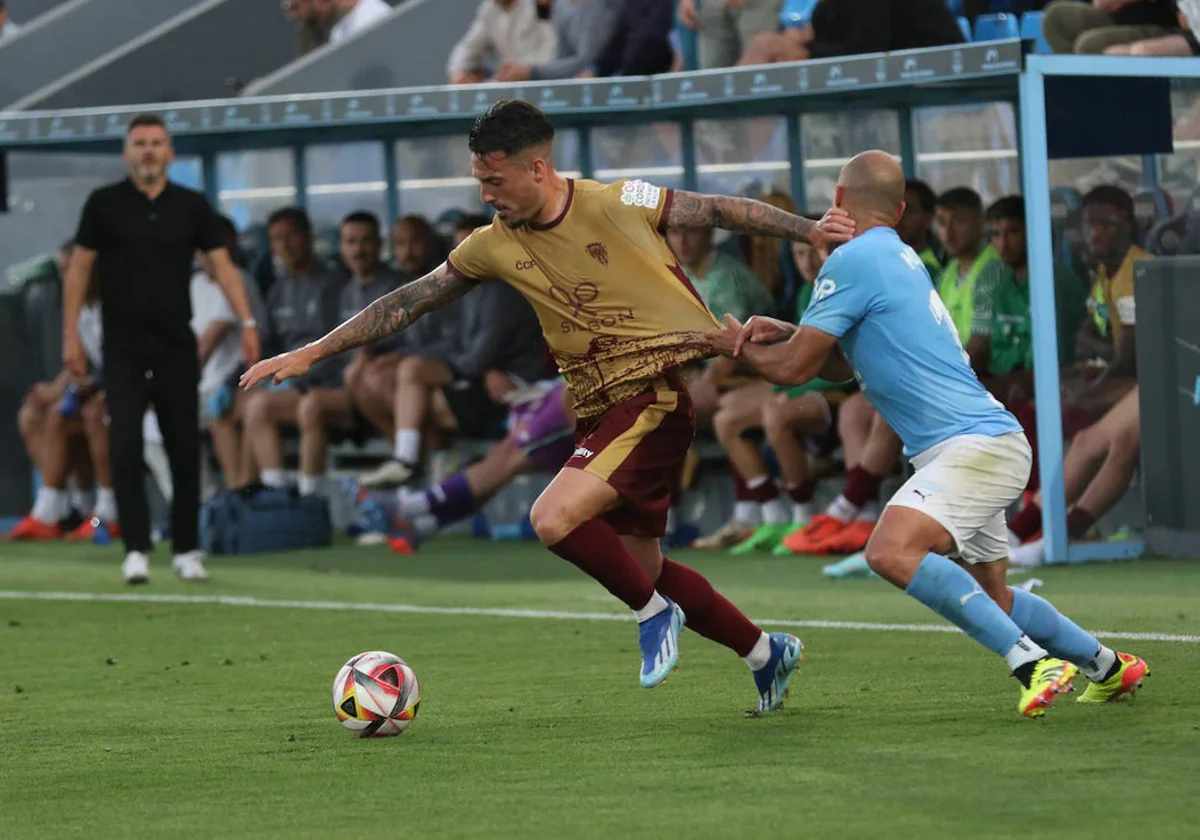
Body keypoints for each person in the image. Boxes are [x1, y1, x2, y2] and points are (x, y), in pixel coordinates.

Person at [242, 99, 855, 713]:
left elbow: (718, 210)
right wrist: (315, 351)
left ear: (537, 168)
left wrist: (810, 230)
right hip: (596, 408)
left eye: (494, 180)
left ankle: (650, 615)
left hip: (653, 397)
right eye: (479, 180)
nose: (485, 194)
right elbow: (414, 298)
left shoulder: (616, 201)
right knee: (648, 565)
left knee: (553, 519)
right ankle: (765, 654)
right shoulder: (492, 243)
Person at [709, 150, 1148, 717]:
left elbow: (795, 370)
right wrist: (790, 332)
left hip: (971, 448)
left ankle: (1031, 662)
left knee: (890, 550)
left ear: (838, 201)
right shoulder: (897, 254)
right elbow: (844, 361)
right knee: (992, 599)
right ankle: (1109, 667)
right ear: (897, 210)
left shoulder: (853, 260)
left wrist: (736, 348)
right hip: (982, 442)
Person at [64, 114, 260, 585]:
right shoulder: (104, 204)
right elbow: (77, 270)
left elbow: (223, 267)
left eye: (157, 143)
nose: (149, 151)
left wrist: (248, 322)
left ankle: (187, 548)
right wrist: (69, 335)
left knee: (183, 449)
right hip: (123, 348)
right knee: (125, 444)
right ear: (127, 153)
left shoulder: (192, 206)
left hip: (175, 346)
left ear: (169, 152)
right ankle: (135, 549)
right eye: (140, 144)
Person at [294, 212, 404, 497]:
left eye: (366, 241)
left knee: (318, 401)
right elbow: (332, 350)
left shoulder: (399, 286)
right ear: (340, 247)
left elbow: (414, 341)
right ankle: (308, 503)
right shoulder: (343, 292)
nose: (358, 250)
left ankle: (407, 479)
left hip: (389, 387)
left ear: (380, 244)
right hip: (346, 389)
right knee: (307, 403)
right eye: (351, 242)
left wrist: (379, 358)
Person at [446, 0, 558, 85]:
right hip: (511, 86)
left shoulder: (540, 3)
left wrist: (528, 71)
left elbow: (553, 51)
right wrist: (459, 73)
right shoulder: (489, 9)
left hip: (545, 82)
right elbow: (469, 47)